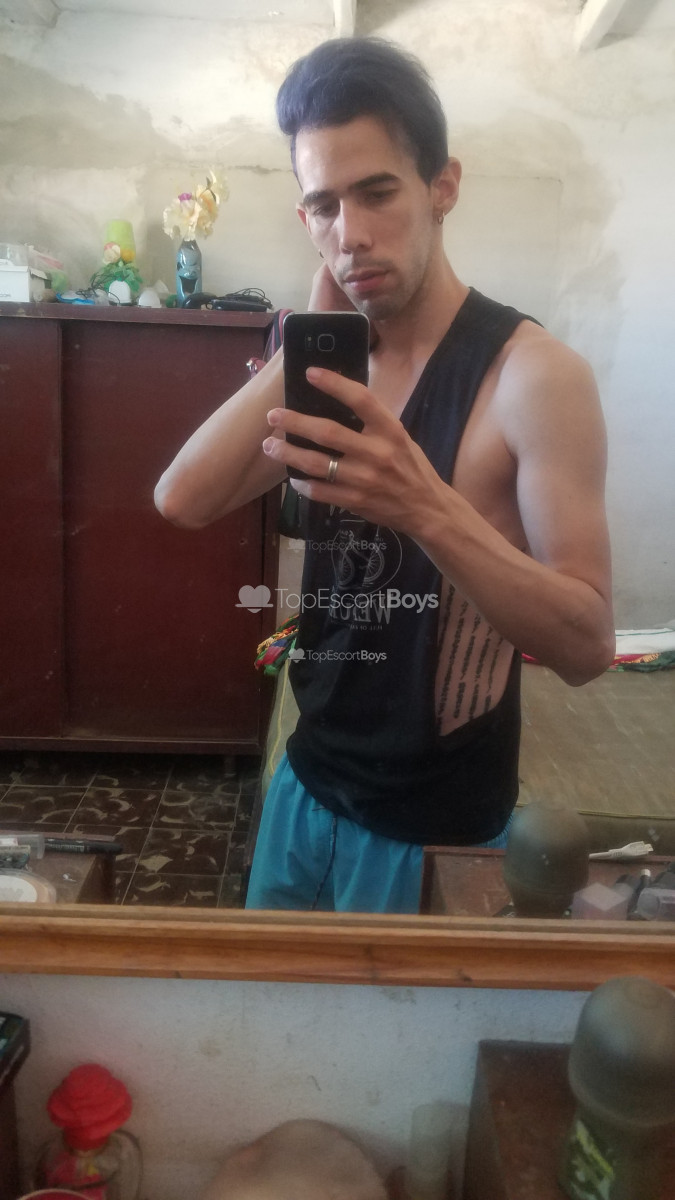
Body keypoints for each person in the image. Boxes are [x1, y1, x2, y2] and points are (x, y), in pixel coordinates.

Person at [155, 38, 614, 914]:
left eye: (376, 193)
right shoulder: (326, 365)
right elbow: (182, 498)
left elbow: (588, 645)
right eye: (323, 205)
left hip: (437, 824)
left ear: (441, 186)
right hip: (305, 784)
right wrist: (303, 344)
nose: (351, 234)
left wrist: (424, 504)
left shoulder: (534, 378)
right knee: (267, 1005)